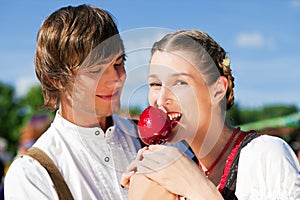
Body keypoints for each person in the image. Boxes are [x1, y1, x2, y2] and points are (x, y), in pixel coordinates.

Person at [121, 30, 300, 199]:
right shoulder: (177, 174)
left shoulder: (265, 154)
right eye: (155, 84)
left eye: (180, 82)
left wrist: (195, 186)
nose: (160, 100)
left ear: (218, 90)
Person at [4, 4, 142, 199]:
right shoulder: (33, 174)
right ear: (56, 79)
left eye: (118, 64)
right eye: (96, 70)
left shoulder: (146, 138)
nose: (116, 79)